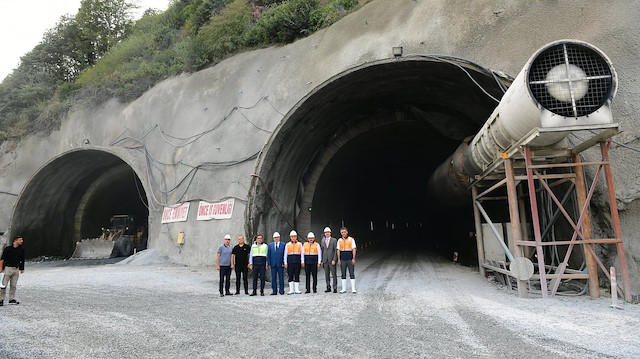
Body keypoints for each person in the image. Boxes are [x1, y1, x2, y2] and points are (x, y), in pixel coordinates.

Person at [0, 236, 25, 306]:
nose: (22, 241)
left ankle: (11, 299)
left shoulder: (21, 249)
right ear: (15, 240)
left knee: (13, 285)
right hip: (8, 268)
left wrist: (22, 268)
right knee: (3, 285)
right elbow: (2, 259)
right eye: (20, 240)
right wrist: (1, 268)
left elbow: (22, 259)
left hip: (16, 269)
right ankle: (1, 299)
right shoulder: (8, 249)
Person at [337, 227, 357, 293]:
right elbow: (338, 250)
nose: (343, 233)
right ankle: (344, 289)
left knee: (351, 273)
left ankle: (353, 289)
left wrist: (353, 258)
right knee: (343, 274)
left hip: (350, 259)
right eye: (342, 232)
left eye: (344, 232)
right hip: (343, 259)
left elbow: (354, 249)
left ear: (347, 232)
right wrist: (339, 259)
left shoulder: (351, 239)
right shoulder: (339, 240)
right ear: (341, 233)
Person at [284, 230, 302, 294]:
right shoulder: (287, 244)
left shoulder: (299, 244)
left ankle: (297, 289)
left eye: (294, 236)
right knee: (290, 275)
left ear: (296, 237)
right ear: (290, 237)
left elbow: (302, 253)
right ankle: (291, 290)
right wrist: (285, 262)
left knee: (297, 275)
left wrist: (302, 261)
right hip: (290, 262)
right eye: (292, 237)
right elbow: (285, 254)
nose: (293, 238)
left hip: (297, 261)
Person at [320, 227, 338, 293]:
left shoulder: (334, 240)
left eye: (328, 232)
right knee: (326, 274)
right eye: (326, 232)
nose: (327, 233)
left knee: (334, 274)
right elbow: (322, 250)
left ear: (330, 233)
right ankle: (328, 286)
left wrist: (334, 259)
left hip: (331, 259)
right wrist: (322, 260)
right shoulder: (323, 240)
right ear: (324, 233)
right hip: (325, 260)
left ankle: (335, 287)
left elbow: (336, 250)